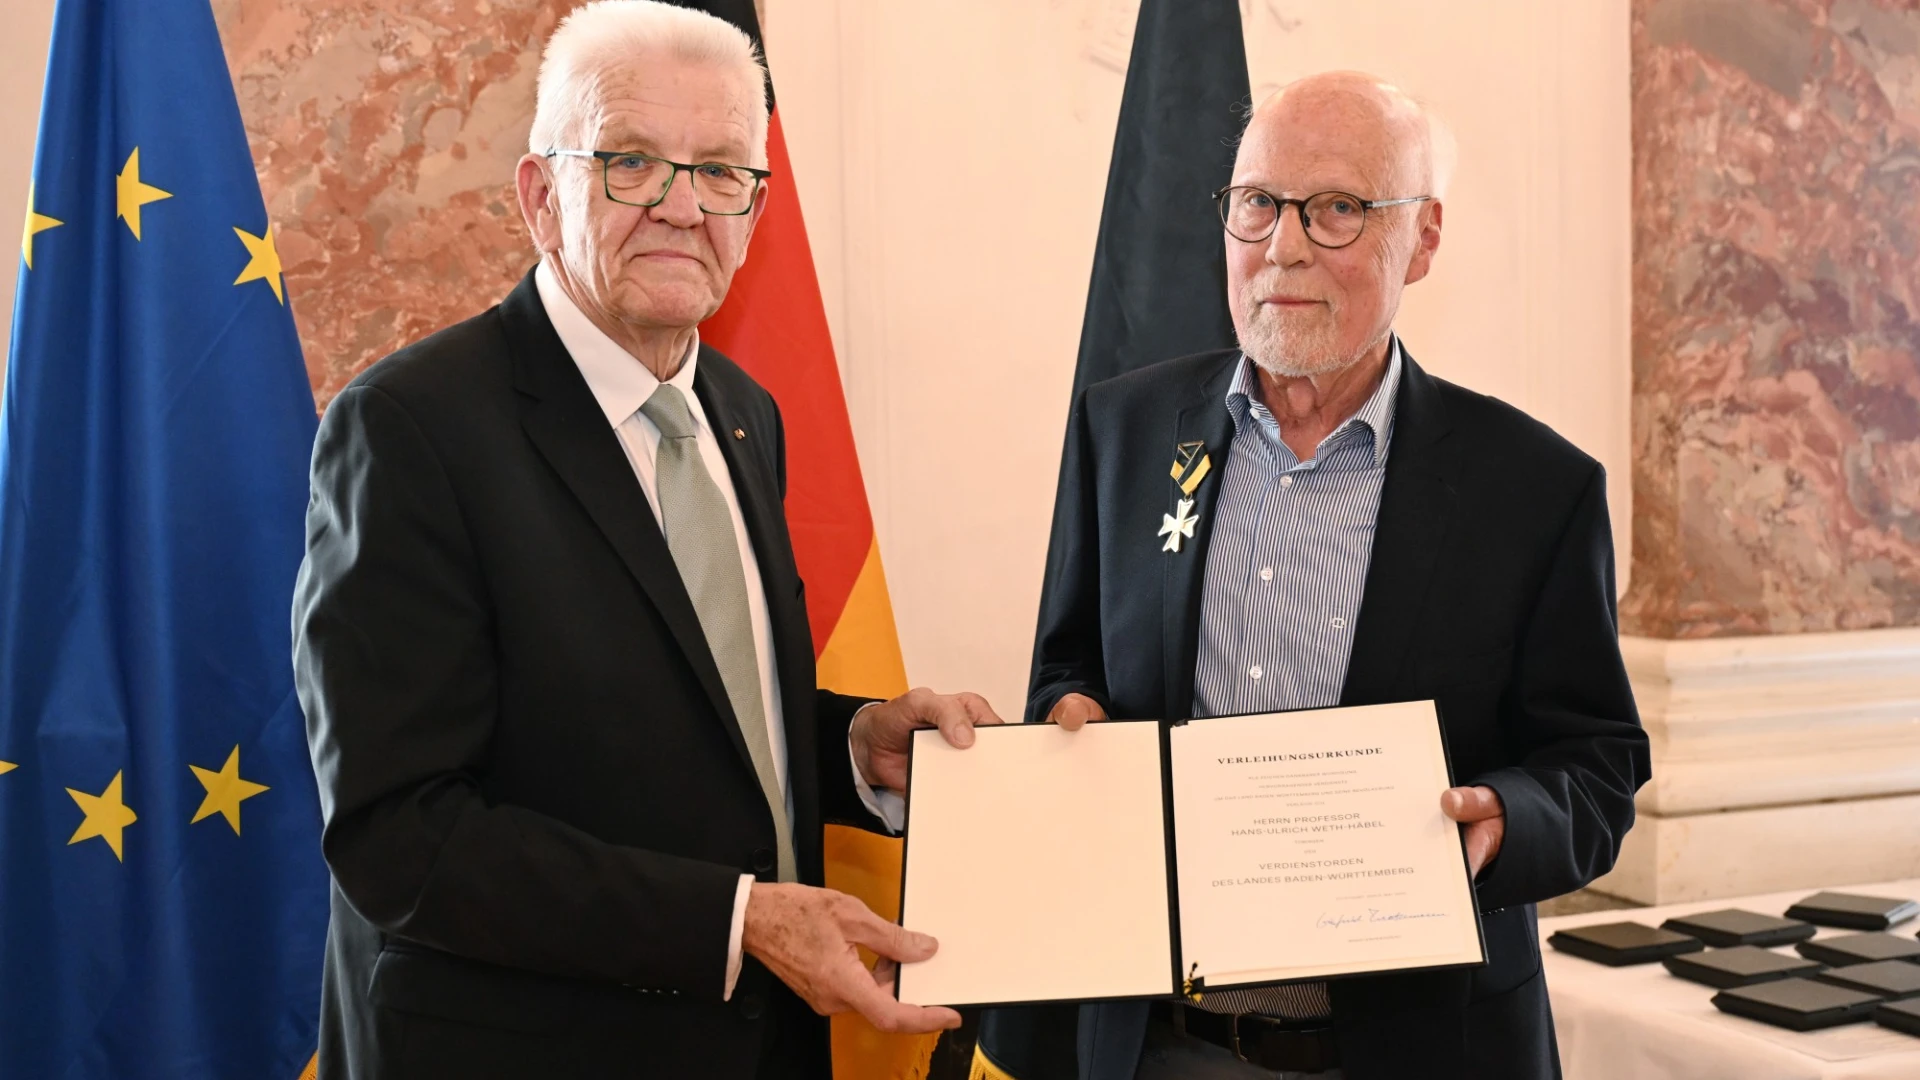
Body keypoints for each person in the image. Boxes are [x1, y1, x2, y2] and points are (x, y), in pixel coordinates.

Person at [291, 3, 997, 1077]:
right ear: (539, 193)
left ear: (756, 206)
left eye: (721, 171)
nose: (681, 206)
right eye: (630, 161)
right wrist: (734, 921)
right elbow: (401, 834)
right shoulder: (410, 430)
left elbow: (690, 717)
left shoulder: (745, 412)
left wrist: (852, 745)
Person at [1024, 72, 1649, 1079]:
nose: (1284, 246)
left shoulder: (1534, 488)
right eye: (1258, 204)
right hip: (1158, 1044)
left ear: (1425, 238)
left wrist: (1505, 823)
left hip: (1420, 1050)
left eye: (1339, 209)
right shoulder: (1123, 432)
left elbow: (1598, 764)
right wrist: (1075, 720)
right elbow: (1066, 669)